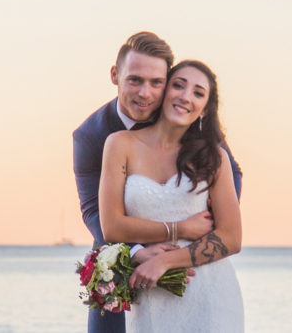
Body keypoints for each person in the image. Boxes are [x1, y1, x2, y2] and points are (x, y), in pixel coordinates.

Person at [72, 32, 242, 333]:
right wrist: (140, 250)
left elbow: (231, 178)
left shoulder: (191, 123)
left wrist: (199, 233)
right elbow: (95, 214)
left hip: (200, 275)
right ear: (115, 75)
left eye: (156, 82)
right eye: (135, 80)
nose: (145, 93)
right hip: (124, 258)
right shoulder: (93, 136)